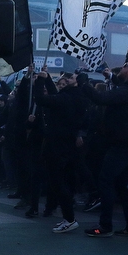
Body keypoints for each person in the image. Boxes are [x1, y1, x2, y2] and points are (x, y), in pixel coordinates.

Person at [80, 60, 128, 237]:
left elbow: (102, 98)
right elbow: (121, 88)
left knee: (105, 180)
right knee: (122, 185)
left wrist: (84, 84)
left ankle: (105, 226)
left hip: (122, 143)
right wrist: (110, 76)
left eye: (125, 66)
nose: (122, 68)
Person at [36, 71, 87, 233]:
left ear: (77, 82)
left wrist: (40, 81)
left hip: (57, 145)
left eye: (70, 78)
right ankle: (68, 217)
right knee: (63, 181)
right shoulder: (74, 97)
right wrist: (48, 79)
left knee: (57, 182)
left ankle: (70, 218)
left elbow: (43, 99)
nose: (66, 79)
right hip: (68, 145)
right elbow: (55, 95)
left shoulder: (67, 98)